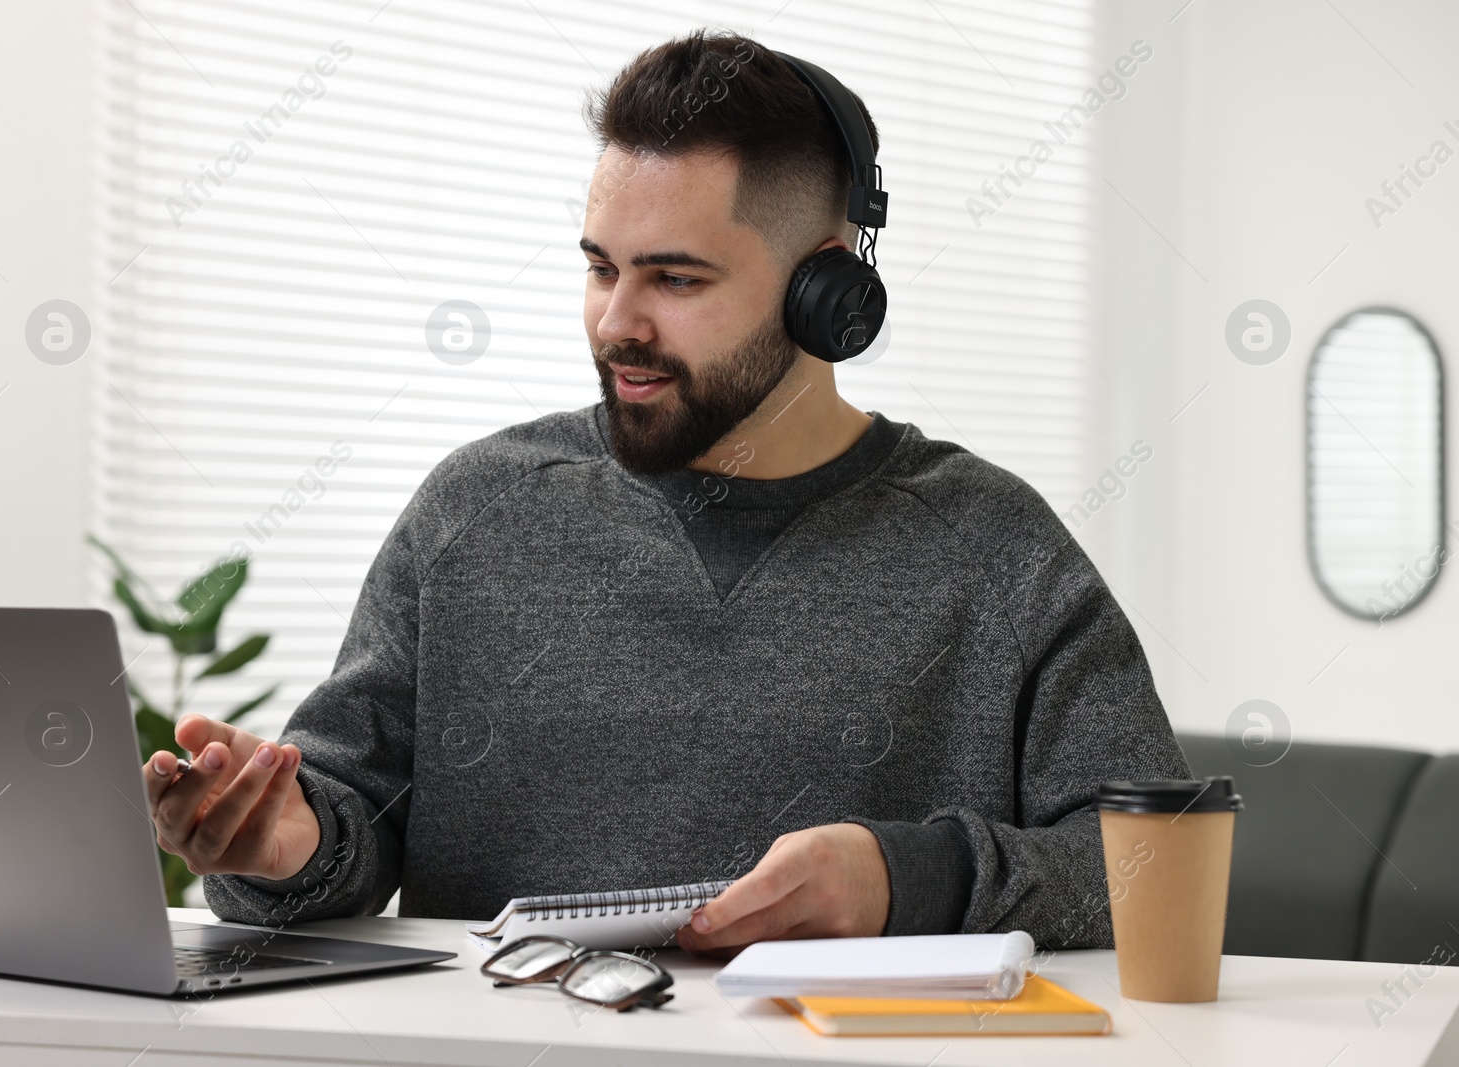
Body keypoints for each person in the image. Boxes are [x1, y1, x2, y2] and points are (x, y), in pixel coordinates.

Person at [141, 29, 1189, 957]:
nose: (614, 324)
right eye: (601, 268)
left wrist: (910, 877)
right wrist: (280, 842)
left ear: (828, 292)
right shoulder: (474, 513)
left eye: (676, 280)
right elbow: (344, 823)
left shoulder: (991, 543)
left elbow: (1159, 870)